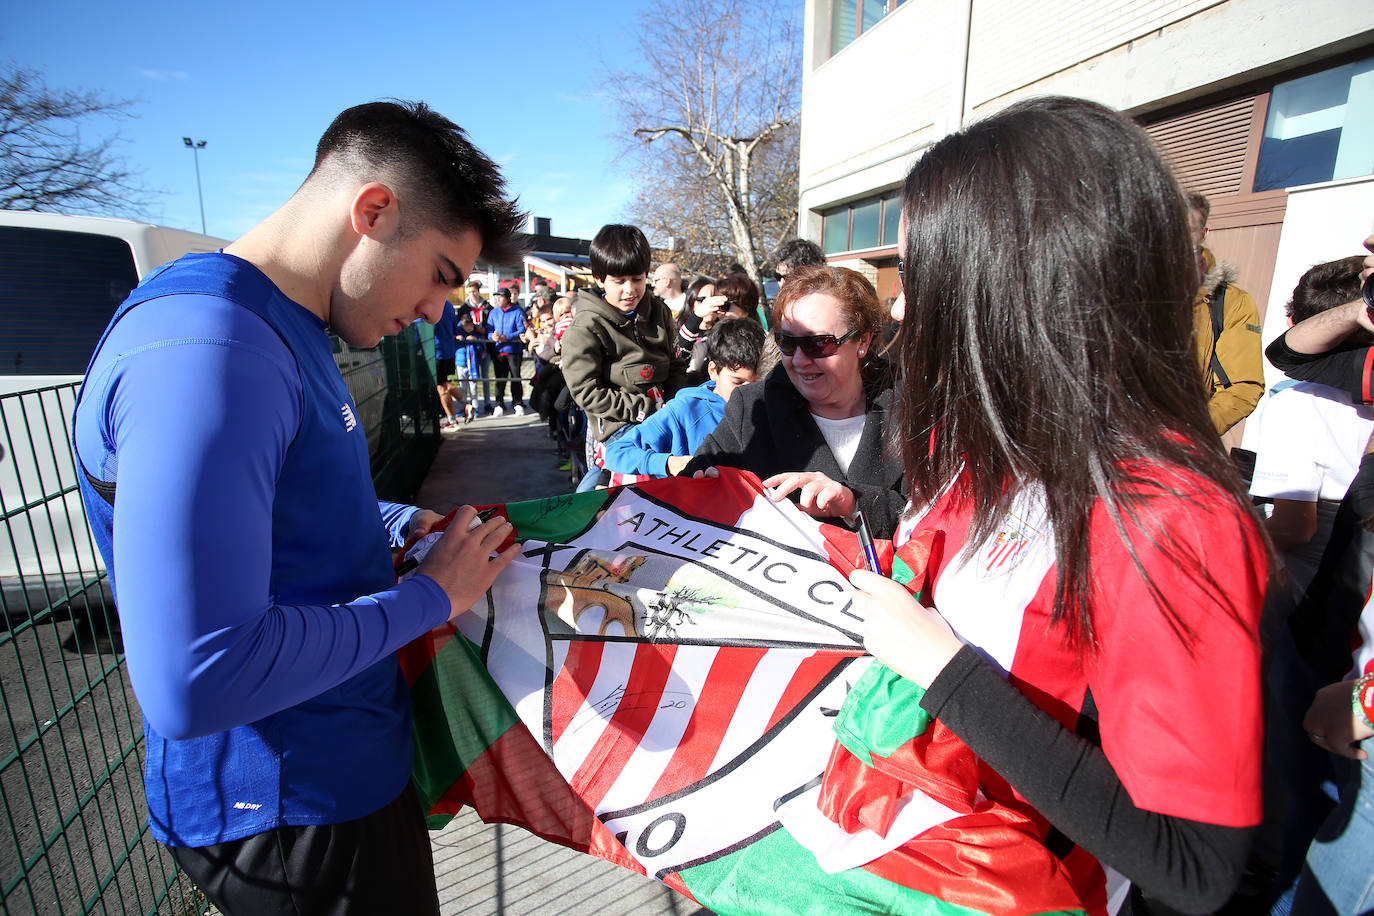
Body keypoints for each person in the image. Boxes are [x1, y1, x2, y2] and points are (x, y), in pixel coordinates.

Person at [70, 100, 525, 916]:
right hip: (290, 807)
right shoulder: (211, 348)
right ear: (374, 211)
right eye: (442, 276)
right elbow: (194, 677)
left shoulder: (282, 325)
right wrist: (433, 597)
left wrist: (396, 525)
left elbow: (281, 496)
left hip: (337, 772)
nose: (437, 312)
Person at [845, 97, 1267, 914]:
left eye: (922, 278)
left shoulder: (1173, 517)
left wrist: (941, 669)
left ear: (1020, 286)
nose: (900, 309)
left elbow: (1192, 864)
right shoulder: (992, 449)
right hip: (916, 852)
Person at [685, 265, 906, 538]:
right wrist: (705, 490)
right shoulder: (753, 408)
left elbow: (931, 521)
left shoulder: (912, 410)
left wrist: (853, 502)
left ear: (862, 340)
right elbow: (694, 481)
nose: (800, 360)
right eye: (787, 343)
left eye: (818, 344)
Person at [562, 223, 687, 491]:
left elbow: (676, 365)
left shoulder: (660, 312)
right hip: (619, 425)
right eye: (619, 281)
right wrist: (647, 410)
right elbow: (586, 392)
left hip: (668, 414)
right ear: (599, 279)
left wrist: (675, 405)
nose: (630, 290)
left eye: (637, 279)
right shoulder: (586, 326)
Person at [604, 317, 765, 479]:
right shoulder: (685, 410)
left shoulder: (768, 404)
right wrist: (668, 463)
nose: (748, 391)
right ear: (713, 370)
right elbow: (616, 452)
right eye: (737, 382)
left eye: (757, 383)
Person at [1187, 190, 1264, 436]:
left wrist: (1190, 434)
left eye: (1186, 229)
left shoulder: (1230, 302)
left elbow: (1243, 387)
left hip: (1168, 449)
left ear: (1203, 234)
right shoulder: (1120, 288)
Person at [675, 270, 759, 383]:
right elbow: (681, 357)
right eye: (716, 306)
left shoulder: (764, 341)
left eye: (724, 306)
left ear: (746, 307)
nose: (718, 312)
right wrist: (697, 316)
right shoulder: (714, 339)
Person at [486, 285, 527, 416]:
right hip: (498, 350)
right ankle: (499, 403)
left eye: (501, 296)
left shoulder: (517, 311)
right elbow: (489, 329)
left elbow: (521, 330)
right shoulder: (493, 312)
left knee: (515, 377)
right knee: (500, 378)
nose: (498, 299)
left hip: (514, 350)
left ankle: (518, 403)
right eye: (497, 296)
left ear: (507, 298)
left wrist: (507, 337)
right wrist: (492, 336)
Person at [458, 278, 493, 411]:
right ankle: (470, 406)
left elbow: (492, 325)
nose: (472, 294)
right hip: (470, 348)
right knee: (470, 377)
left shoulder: (487, 307)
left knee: (485, 376)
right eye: (469, 292)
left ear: (478, 292)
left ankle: (487, 403)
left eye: (474, 291)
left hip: (484, 346)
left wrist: (484, 330)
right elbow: (460, 326)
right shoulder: (463, 309)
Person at [432, 294, 463, 429]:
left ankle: (460, 411)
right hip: (449, 350)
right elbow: (455, 326)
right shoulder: (449, 305)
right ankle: (458, 412)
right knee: (444, 383)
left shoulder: (431, 306)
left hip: (437, 350)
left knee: (441, 386)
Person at [454, 312, 487, 422]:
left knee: (473, 388)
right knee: (462, 388)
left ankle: (475, 408)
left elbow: (481, 350)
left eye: (470, 325)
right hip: (461, 363)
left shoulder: (475, 335)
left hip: (473, 365)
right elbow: (455, 347)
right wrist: (458, 338)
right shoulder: (459, 335)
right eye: (465, 326)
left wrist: (476, 342)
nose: (468, 328)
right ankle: (463, 408)